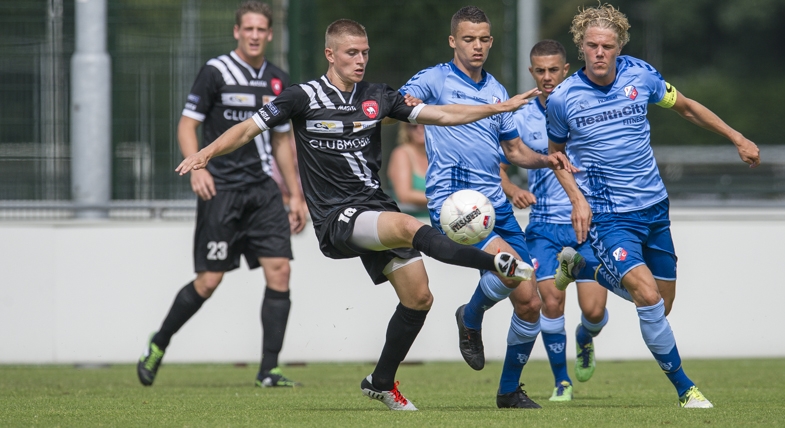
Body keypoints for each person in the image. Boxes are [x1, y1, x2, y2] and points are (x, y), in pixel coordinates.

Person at [175, 18, 574, 411]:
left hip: (373, 205)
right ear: (330, 54)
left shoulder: (378, 96)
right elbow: (248, 129)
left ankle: (381, 381)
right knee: (407, 225)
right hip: (336, 215)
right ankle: (496, 263)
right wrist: (205, 153)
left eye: (365, 52)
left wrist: (498, 107)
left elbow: (444, 116)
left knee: (419, 298)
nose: (360, 59)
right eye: (351, 53)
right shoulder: (302, 96)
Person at [547, 3, 760, 408]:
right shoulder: (563, 99)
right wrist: (577, 199)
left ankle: (581, 266)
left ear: (620, 45)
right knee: (646, 296)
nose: (599, 53)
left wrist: (736, 136)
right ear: (580, 47)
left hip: (654, 208)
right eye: (591, 45)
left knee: (661, 304)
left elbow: (686, 107)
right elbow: (557, 157)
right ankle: (686, 389)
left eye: (607, 46)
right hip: (610, 216)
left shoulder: (641, 75)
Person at [399, 6, 566, 409]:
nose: (477, 46)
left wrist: (546, 160)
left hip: (496, 204)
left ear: (490, 42)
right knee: (510, 268)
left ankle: (508, 391)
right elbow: (401, 106)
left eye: (483, 39)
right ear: (453, 41)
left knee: (530, 301)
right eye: (468, 39)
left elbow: (513, 151)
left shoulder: (496, 90)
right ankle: (472, 316)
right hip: (457, 205)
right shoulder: (434, 78)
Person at [136, 1, 308, 389]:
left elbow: (282, 142)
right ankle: (159, 342)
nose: (254, 35)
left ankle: (269, 369)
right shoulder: (216, 72)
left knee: (280, 270)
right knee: (209, 281)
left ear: (269, 33)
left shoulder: (278, 81)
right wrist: (197, 167)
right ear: (237, 32)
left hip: (263, 192)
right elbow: (187, 125)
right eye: (248, 28)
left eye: (261, 29)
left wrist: (294, 195)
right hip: (222, 191)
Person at [502, 39, 611, 402]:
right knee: (550, 303)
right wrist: (510, 189)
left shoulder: (589, 105)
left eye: (553, 70)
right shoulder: (520, 115)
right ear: (532, 72)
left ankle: (585, 337)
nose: (547, 77)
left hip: (589, 224)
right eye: (540, 71)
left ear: (565, 70)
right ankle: (561, 381)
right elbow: (496, 164)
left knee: (594, 311)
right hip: (545, 226)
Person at [386, 123, 429, 216]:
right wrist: (442, 199)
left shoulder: (440, 154)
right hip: (411, 223)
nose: (419, 129)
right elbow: (404, 195)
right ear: (406, 129)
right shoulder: (401, 153)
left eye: (424, 125)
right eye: (414, 126)